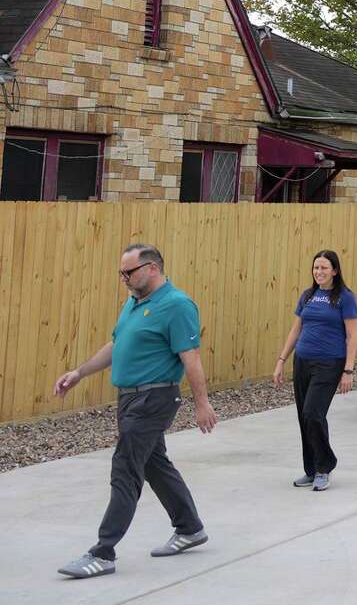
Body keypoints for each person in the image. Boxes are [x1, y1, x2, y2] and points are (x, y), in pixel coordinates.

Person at [53, 243, 215, 580]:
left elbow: (191, 358)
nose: (124, 279)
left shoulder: (177, 305)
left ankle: (103, 552)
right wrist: (79, 373)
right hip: (129, 399)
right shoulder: (133, 302)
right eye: (121, 273)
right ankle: (190, 528)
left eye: (130, 272)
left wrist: (202, 403)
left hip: (153, 399)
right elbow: (117, 344)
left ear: (152, 268)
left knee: (125, 468)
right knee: (154, 465)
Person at [272, 249, 357, 491]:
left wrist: (348, 371)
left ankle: (324, 466)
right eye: (315, 268)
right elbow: (295, 330)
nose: (319, 272)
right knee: (304, 416)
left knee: (313, 413)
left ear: (335, 271)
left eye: (324, 268)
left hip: (329, 364)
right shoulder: (308, 295)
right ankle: (311, 470)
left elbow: (352, 336)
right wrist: (281, 360)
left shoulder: (345, 297)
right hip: (302, 361)